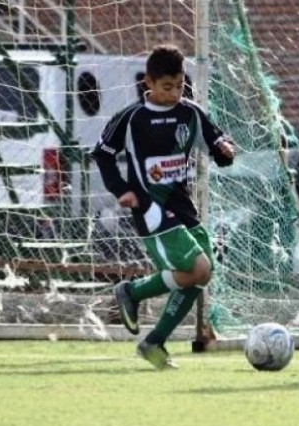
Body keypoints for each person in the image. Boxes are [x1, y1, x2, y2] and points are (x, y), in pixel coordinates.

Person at [91, 44, 236, 369]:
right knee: (198, 268)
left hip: (182, 206)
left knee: (199, 275)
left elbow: (216, 143)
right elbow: (102, 154)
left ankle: (153, 340)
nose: (174, 93)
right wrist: (121, 190)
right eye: (167, 87)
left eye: (180, 85)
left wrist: (225, 150)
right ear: (149, 84)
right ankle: (134, 292)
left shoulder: (191, 113)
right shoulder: (131, 118)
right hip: (150, 208)